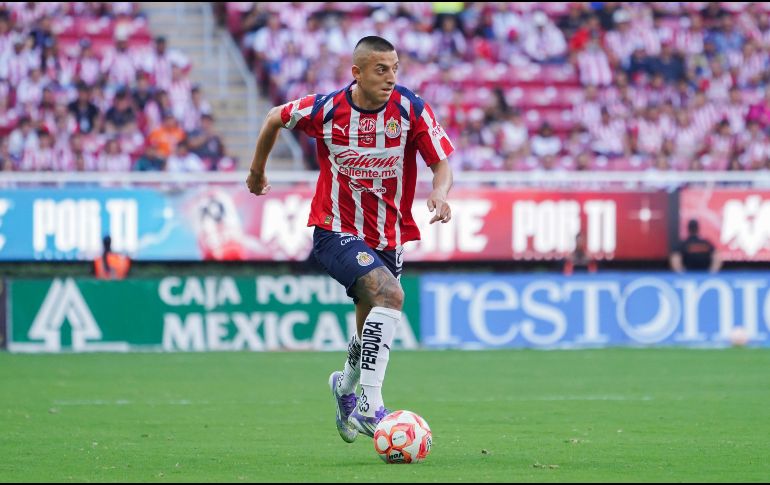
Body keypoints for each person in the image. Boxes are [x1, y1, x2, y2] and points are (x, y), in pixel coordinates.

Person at [246, 36, 454, 442]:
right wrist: (257, 172)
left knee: (369, 329)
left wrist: (440, 191)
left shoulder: (411, 109)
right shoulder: (327, 110)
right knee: (391, 297)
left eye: (395, 68)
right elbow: (274, 116)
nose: (391, 77)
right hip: (335, 228)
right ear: (356, 72)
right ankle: (370, 405)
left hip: (388, 238)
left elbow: (441, 163)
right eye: (381, 69)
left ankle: (345, 387)